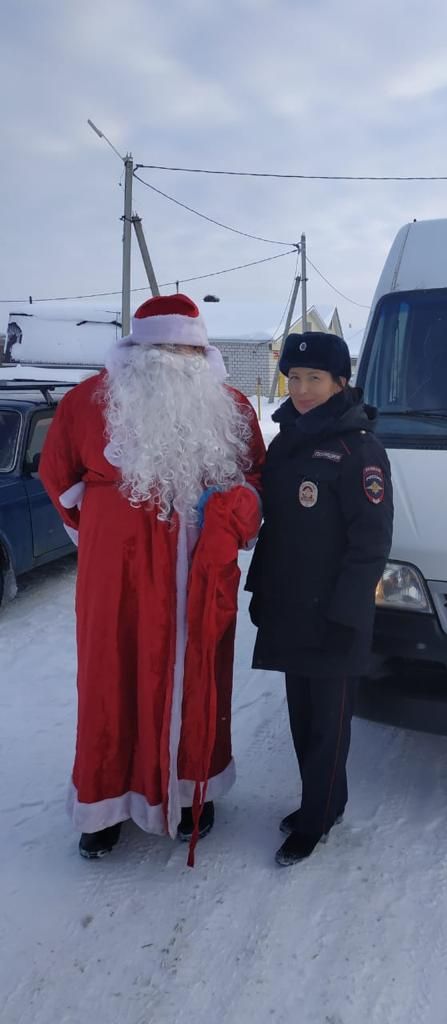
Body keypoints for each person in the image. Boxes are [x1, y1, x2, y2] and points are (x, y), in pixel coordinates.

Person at [40, 294, 265, 863]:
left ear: (201, 349)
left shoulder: (232, 407)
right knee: (109, 679)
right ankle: (104, 805)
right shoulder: (88, 402)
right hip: (116, 578)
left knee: (198, 675)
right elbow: (58, 477)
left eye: (185, 346)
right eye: (163, 345)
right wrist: (104, 535)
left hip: (201, 574)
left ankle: (192, 792)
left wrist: (233, 518)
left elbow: (257, 481)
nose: (174, 356)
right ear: (138, 348)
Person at [245, 331, 393, 866]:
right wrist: (260, 590)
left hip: (333, 615)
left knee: (327, 725)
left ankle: (319, 816)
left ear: (340, 382)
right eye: (295, 377)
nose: (302, 389)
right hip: (290, 607)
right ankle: (322, 800)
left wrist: (347, 615)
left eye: (315, 379)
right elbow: (279, 527)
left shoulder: (359, 449)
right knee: (302, 719)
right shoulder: (288, 439)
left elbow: (370, 544)